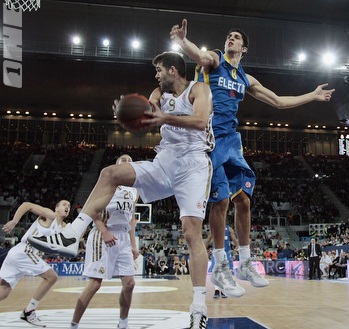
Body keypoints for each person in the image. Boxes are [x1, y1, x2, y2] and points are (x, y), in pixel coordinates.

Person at [29, 51, 214, 329]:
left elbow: (200, 121)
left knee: (191, 233)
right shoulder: (157, 93)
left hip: (194, 167)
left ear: (173, 70)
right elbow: (149, 112)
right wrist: (131, 112)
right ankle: (71, 234)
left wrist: (162, 118)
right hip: (164, 162)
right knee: (109, 173)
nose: (156, 75)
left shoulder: (199, 89)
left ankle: (198, 308)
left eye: (159, 70)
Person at [170, 19, 335, 297]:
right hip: (207, 139)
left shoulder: (246, 79)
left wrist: (314, 96)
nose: (230, 39)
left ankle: (245, 262)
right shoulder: (215, 59)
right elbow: (198, 55)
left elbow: (279, 102)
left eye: (236, 38)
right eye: (228, 36)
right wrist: (182, 40)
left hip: (231, 141)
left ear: (244, 48)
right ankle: (221, 266)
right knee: (221, 200)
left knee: (244, 200)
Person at [69, 154, 139, 329]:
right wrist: (105, 231)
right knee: (94, 285)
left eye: (130, 161)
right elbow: (92, 210)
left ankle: (123, 324)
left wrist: (133, 244)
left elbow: (131, 219)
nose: (127, 162)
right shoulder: (107, 183)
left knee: (130, 283)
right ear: (116, 165)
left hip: (123, 236)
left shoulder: (134, 190)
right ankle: (73, 325)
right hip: (103, 234)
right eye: (123, 160)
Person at [0, 200, 71, 327]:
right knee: (52, 277)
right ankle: (29, 312)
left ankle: (28, 312)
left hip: (17, 254)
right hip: (25, 251)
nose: (67, 207)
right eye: (64, 205)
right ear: (56, 208)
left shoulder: (63, 226)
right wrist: (15, 221)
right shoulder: (50, 215)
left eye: (69, 206)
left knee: (4, 291)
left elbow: (72, 237)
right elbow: (27, 205)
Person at [204, 225, 238, 298]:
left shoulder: (229, 229)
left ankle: (223, 290)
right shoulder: (214, 228)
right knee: (216, 271)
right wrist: (204, 248)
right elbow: (209, 239)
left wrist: (237, 246)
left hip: (226, 251)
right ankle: (216, 290)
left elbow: (234, 239)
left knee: (225, 272)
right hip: (217, 251)